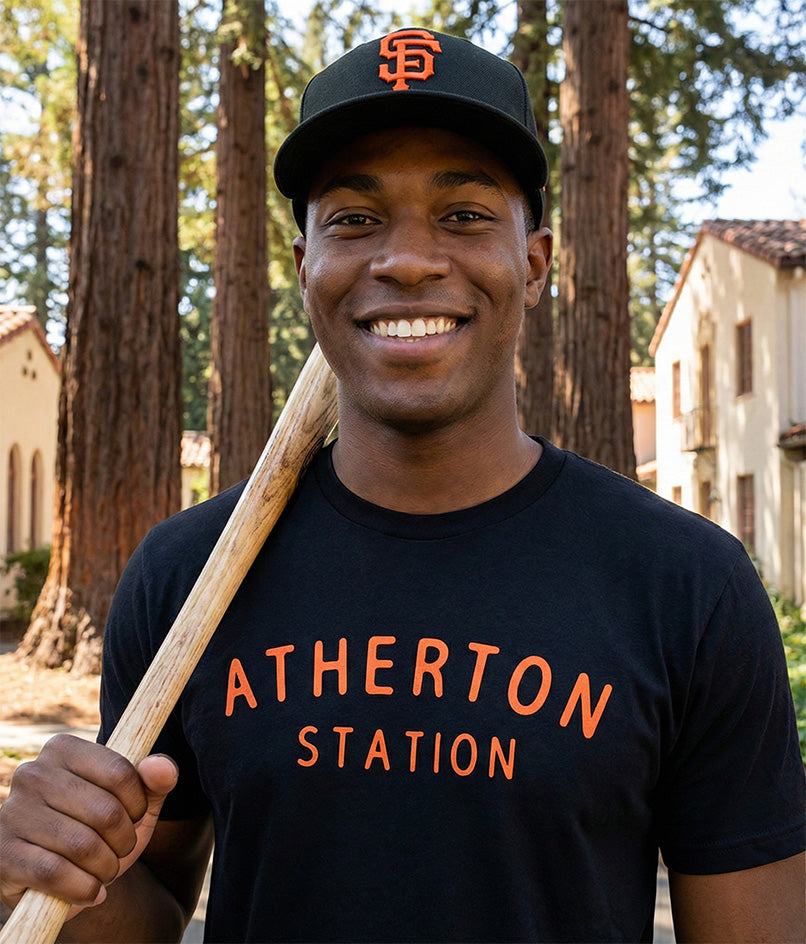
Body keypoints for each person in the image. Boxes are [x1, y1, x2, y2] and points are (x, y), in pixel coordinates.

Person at [1, 27, 804, 944]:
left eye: (463, 214)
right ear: (306, 266)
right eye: (353, 218)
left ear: (533, 262)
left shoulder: (685, 586)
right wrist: (46, 863)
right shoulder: (187, 578)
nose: (408, 260)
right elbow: (145, 914)